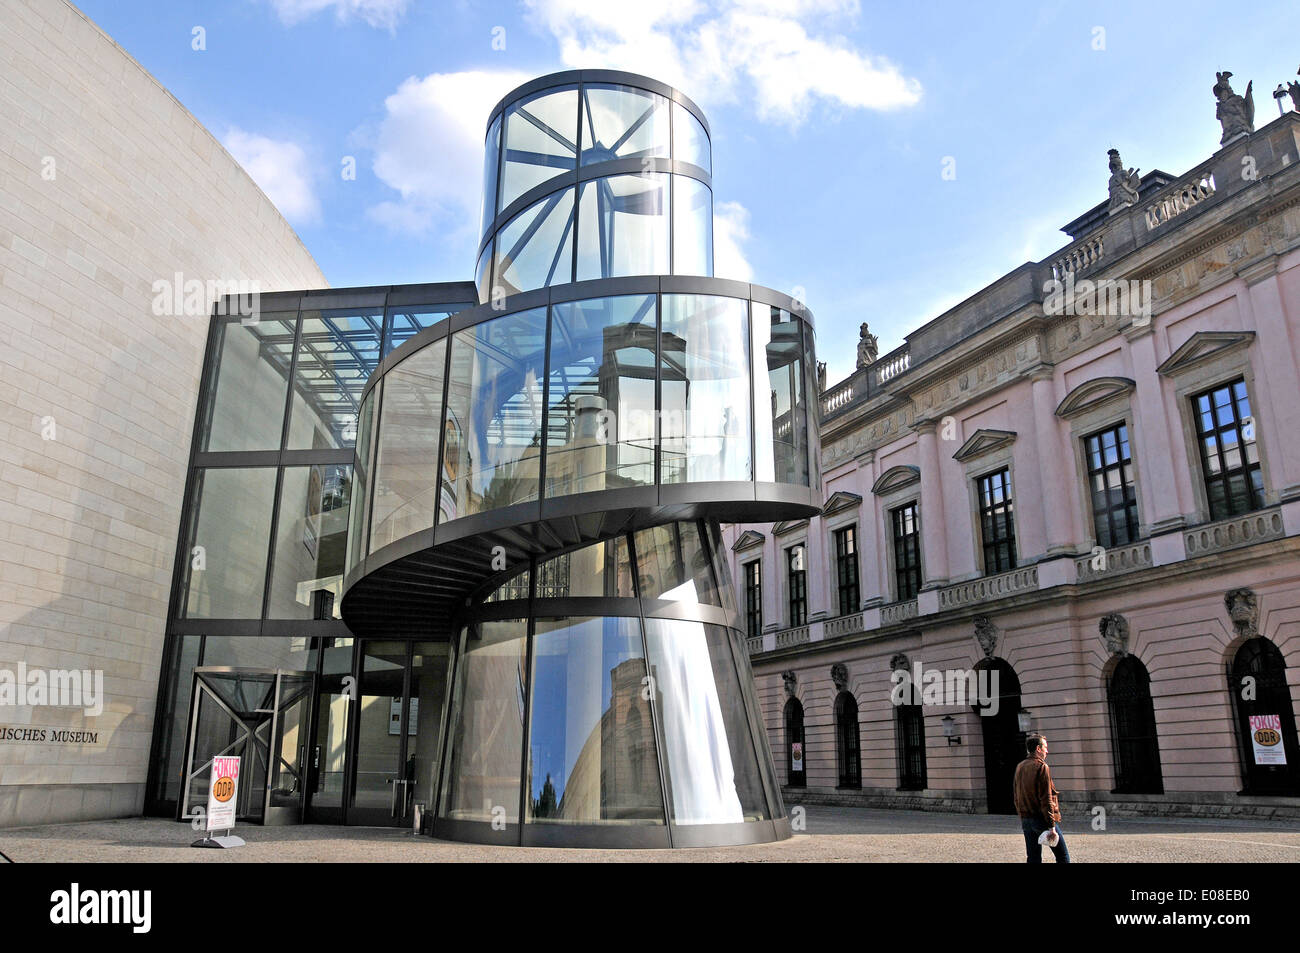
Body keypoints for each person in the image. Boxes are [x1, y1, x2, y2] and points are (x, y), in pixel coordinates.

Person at [1013, 733, 1071, 863]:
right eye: (1045, 747)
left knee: (1033, 858)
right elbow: (1046, 798)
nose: (1047, 751)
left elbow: (1017, 795)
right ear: (1038, 749)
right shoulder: (1041, 767)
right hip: (1041, 819)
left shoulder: (1020, 766)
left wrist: (1023, 816)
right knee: (1063, 856)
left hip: (1026, 820)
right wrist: (1051, 826)